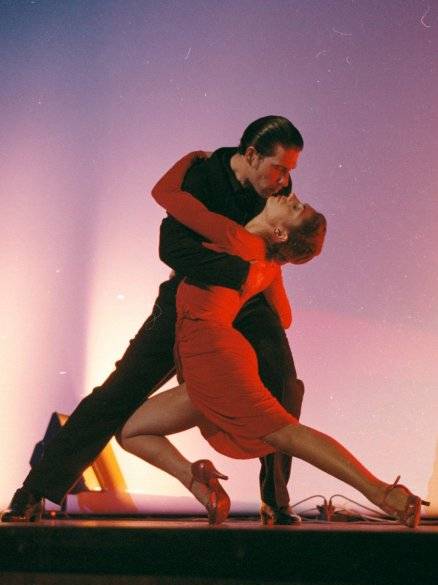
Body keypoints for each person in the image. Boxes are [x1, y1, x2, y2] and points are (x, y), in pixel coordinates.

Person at [2, 116, 307, 524]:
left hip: (248, 302)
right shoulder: (202, 176)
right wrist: (240, 272)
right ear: (251, 155)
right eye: (279, 168)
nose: (285, 181)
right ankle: (34, 491)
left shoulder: (275, 189)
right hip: (190, 294)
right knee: (119, 390)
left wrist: (256, 278)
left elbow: (279, 249)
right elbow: (174, 250)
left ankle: (276, 500)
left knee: (284, 384)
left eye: (289, 171)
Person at [117, 152, 428, 528]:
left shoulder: (236, 238)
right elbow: (285, 317)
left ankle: (383, 494)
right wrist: (257, 279)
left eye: (294, 207)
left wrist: (195, 158)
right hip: (205, 362)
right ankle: (198, 481)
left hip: (216, 359)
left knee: (286, 433)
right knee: (131, 430)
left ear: (280, 232)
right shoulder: (267, 263)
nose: (290, 195)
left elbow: (167, 194)